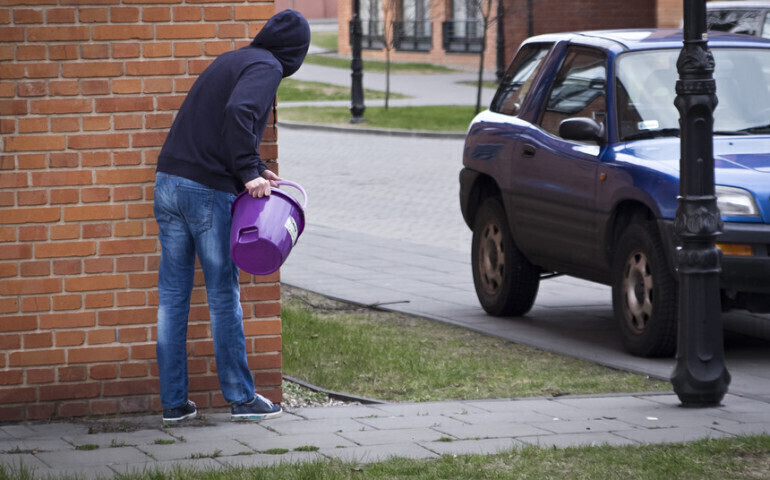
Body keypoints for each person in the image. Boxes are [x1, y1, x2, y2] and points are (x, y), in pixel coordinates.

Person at [153, 10, 311, 424]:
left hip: (169, 182)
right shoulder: (267, 66)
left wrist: (256, 170)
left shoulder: (233, 60)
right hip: (205, 192)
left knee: (172, 298)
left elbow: (216, 124)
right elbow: (239, 114)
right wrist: (246, 171)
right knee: (223, 295)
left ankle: (173, 405)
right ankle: (241, 399)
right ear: (296, 53)